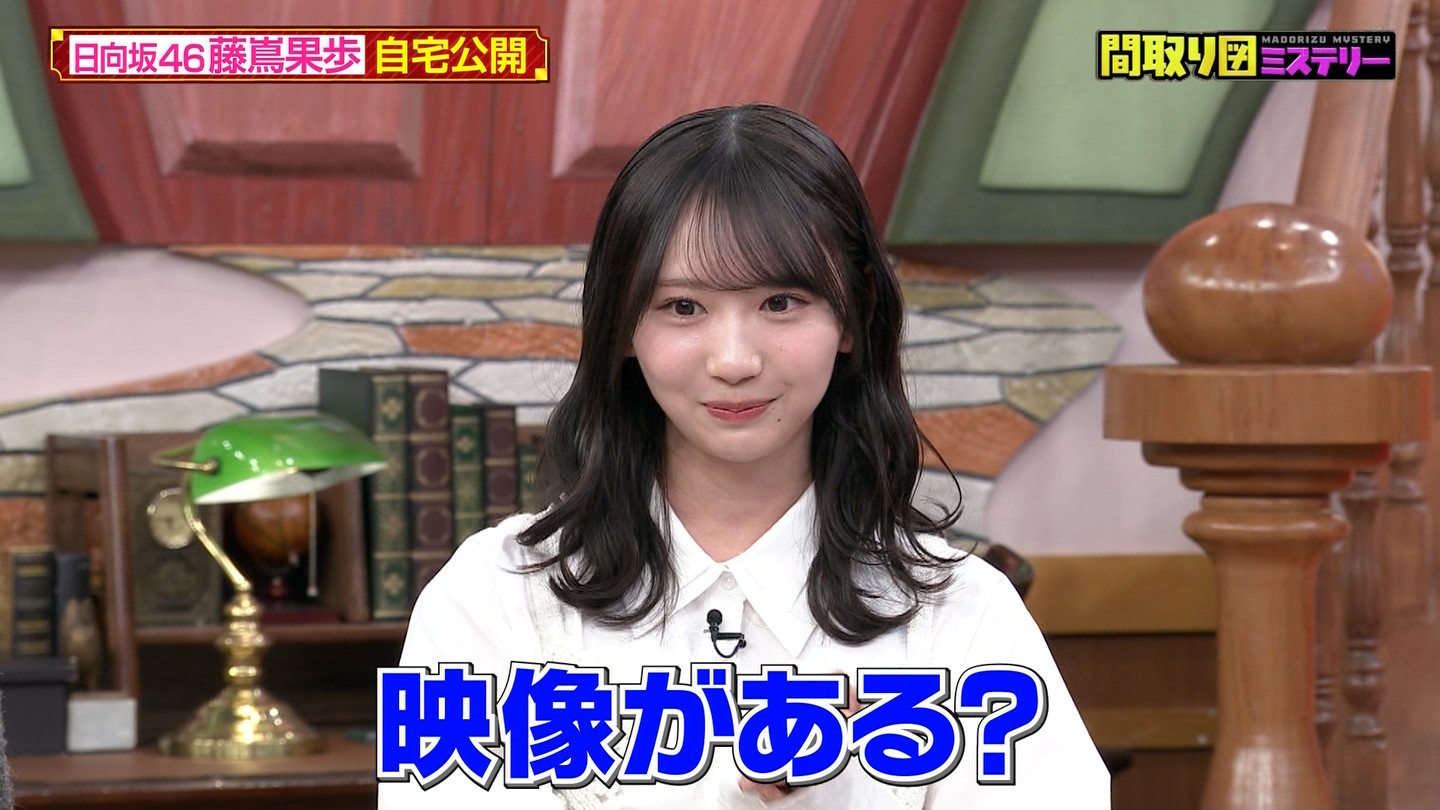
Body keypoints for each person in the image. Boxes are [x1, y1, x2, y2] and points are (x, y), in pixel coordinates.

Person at [378, 104, 1109, 809]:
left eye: (781, 302)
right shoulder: (496, 597)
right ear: (623, 324)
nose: (734, 361)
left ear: (852, 315)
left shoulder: (963, 614)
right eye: (683, 307)